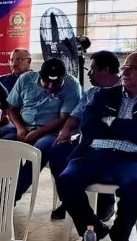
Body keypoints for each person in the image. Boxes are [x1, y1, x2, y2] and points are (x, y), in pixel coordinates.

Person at [57, 52, 137, 241]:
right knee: (66, 179)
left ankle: (120, 236)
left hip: (134, 158)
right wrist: (135, 127)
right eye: (124, 67)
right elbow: (88, 126)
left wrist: (110, 121)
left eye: (132, 68)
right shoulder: (104, 95)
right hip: (95, 153)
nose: (124, 71)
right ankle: (93, 229)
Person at [49, 50, 121, 221]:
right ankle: (70, 200)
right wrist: (66, 130)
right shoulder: (91, 92)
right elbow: (75, 114)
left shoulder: (125, 91)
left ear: (105, 70)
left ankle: (105, 202)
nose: (89, 74)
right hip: (86, 142)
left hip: (112, 145)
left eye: (92, 69)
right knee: (57, 150)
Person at [2, 57, 82, 198]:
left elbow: (63, 118)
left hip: (50, 131)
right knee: (3, 144)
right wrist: (20, 128)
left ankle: (11, 196)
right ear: (40, 76)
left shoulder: (72, 85)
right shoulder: (25, 79)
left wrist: (37, 133)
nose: (51, 86)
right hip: (23, 127)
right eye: (47, 82)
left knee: (38, 151)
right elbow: (12, 108)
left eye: (56, 83)